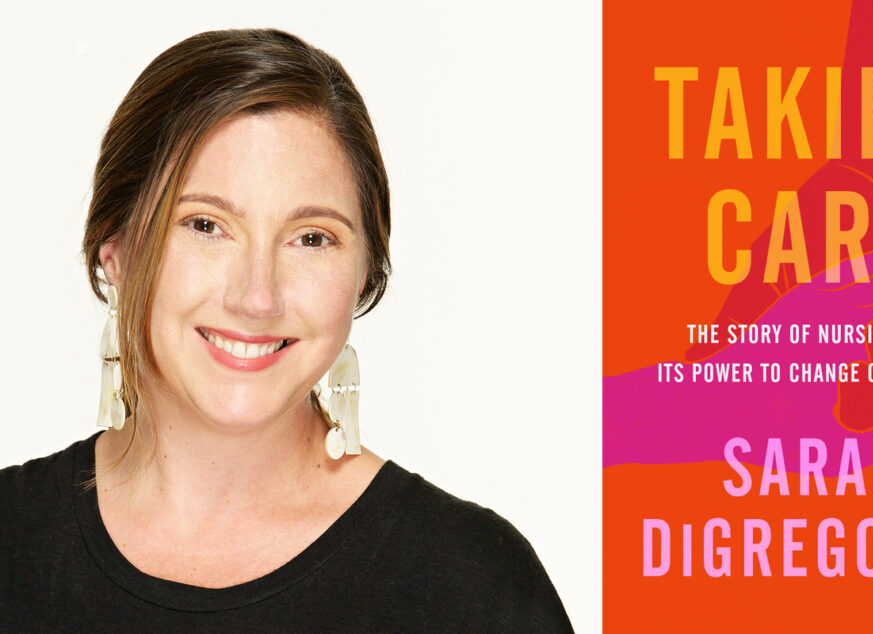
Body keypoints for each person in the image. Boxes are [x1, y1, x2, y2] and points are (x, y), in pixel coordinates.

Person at [0, 28, 573, 632]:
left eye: (312, 238)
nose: (257, 296)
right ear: (114, 250)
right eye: (204, 225)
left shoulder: (473, 584)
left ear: (363, 274)